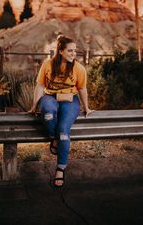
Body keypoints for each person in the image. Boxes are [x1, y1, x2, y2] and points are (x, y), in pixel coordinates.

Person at [28, 35, 94, 187]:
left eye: (74, 51)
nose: (73, 54)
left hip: (70, 101)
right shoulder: (48, 64)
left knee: (64, 132)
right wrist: (34, 105)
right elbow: (40, 85)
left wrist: (87, 107)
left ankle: (60, 168)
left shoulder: (79, 68)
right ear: (61, 51)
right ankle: (54, 138)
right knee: (48, 112)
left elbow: (82, 89)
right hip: (50, 97)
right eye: (70, 51)